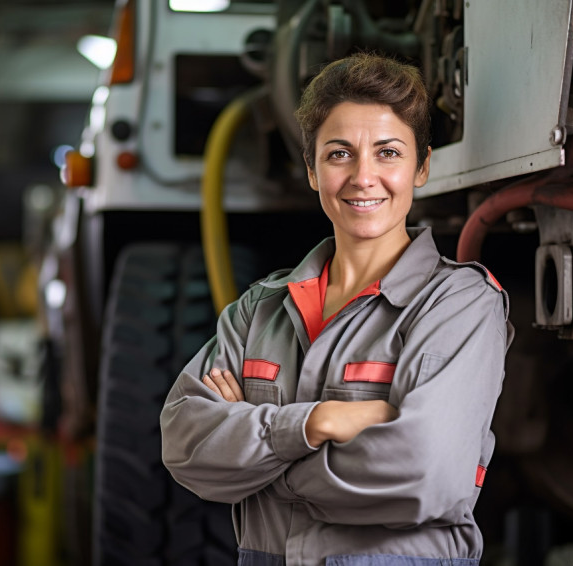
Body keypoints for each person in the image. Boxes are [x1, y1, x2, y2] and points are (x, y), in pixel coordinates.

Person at [161, 52, 513, 566]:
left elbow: (423, 473)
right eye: (340, 154)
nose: (363, 177)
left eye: (388, 153)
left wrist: (258, 458)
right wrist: (316, 423)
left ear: (422, 167)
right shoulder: (260, 310)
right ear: (312, 170)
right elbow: (184, 444)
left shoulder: (458, 305)